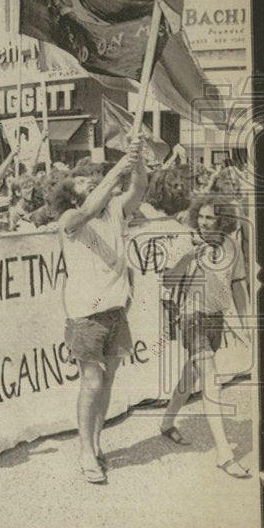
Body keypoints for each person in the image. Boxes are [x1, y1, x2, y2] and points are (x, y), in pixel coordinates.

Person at [54, 136, 147, 483]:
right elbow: (88, 210)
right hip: (85, 315)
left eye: (92, 177)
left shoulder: (115, 211)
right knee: (91, 383)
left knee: (107, 382)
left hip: (115, 310)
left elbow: (139, 189)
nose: (88, 179)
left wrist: (136, 162)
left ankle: (96, 441)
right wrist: (116, 171)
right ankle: (84, 451)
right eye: (79, 179)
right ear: (68, 193)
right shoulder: (70, 217)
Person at [158, 195, 251, 477]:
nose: (204, 221)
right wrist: (187, 257)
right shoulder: (186, 241)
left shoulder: (231, 246)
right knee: (211, 379)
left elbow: (237, 287)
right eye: (201, 216)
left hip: (215, 319)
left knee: (191, 376)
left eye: (210, 217)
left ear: (222, 220)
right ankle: (224, 453)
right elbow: (167, 281)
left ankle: (166, 423)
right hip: (191, 317)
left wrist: (245, 324)